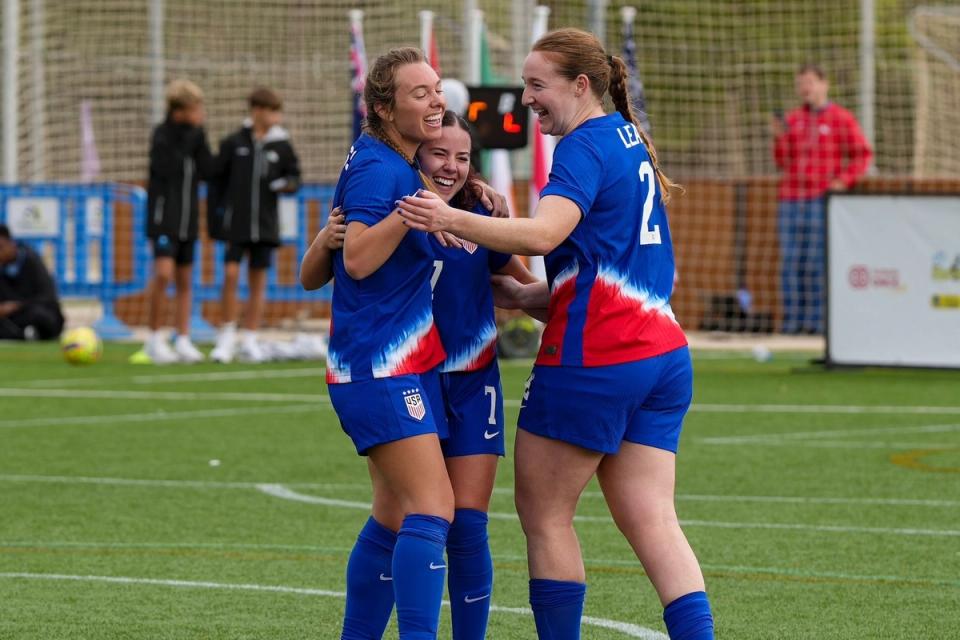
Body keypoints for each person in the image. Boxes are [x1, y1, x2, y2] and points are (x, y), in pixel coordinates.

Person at [398, 28, 714, 640]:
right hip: (663, 355)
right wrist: (527, 296)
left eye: (537, 85)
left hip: (597, 358)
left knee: (544, 516)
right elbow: (611, 264)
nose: (526, 99)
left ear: (580, 85)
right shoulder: (627, 137)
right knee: (653, 518)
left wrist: (451, 215)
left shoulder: (583, 146)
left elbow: (544, 236)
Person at [301, 110, 538, 640]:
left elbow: (522, 288)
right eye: (439, 154)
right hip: (410, 377)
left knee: (468, 525)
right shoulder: (389, 205)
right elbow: (323, 272)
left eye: (463, 158)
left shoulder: (479, 213)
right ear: (414, 157)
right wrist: (325, 240)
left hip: (472, 379)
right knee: (402, 514)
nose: (451, 166)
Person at [323, 46, 454, 640]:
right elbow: (354, 260)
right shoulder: (384, 170)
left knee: (394, 512)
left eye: (436, 88)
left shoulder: (385, 160)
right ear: (383, 107)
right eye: (419, 93)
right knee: (433, 509)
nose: (435, 101)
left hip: (390, 362)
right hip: (380, 367)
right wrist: (411, 212)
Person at [772, 63, 872, 335]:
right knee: (790, 262)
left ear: (823, 84)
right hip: (791, 199)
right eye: (801, 83)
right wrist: (780, 138)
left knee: (817, 262)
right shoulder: (792, 120)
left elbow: (863, 154)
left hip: (821, 199)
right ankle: (792, 324)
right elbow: (782, 161)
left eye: (809, 82)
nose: (805, 88)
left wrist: (843, 181)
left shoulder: (841, 118)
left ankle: (818, 324)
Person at [209, 87, 301, 363]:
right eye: (272, 110)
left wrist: (285, 184)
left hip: (265, 224)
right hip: (236, 224)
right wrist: (217, 220)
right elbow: (217, 182)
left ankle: (249, 337)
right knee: (231, 274)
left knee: (258, 281)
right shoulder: (234, 142)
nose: (276, 116)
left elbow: (294, 177)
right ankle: (225, 335)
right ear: (257, 111)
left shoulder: (282, 145)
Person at [142, 79, 216, 364]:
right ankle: (154, 338)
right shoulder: (163, 135)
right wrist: (192, 136)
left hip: (188, 220)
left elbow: (207, 168)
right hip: (164, 219)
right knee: (162, 275)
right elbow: (169, 167)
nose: (200, 113)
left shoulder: (197, 136)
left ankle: (182, 338)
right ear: (180, 110)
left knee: (186, 280)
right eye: (195, 108)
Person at [0, 224, 65, 341]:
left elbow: (47, 297)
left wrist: (16, 306)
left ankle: (27, 333)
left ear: (11, 244)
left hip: (34, 312)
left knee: (39, 315)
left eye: (1, 247)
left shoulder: (31, 261)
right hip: (12, 319)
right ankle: (25, 334)